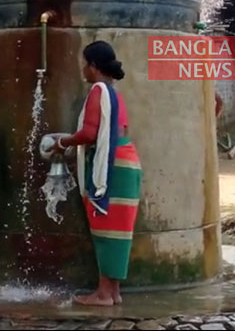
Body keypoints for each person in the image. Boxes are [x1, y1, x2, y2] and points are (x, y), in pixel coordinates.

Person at [48, 41, 142, 307]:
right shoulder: (115, 94)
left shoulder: (97, 92)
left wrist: (62, 143)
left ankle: (102, 294)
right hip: (127, 161)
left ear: (93, 66)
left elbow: (90, 134)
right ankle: (113, 292)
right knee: (118, 233)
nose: (82, 68)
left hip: (112, 168)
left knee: (104, 231)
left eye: (85, 63)